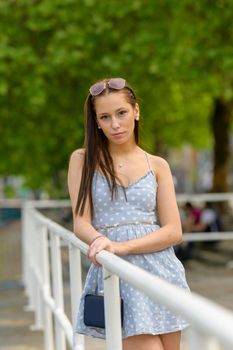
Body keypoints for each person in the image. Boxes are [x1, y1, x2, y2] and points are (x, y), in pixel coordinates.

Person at [67, 77, 190, 350]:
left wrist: (122, 246)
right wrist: (104, 244)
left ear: (136, 111)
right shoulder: (82, 160)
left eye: (121, 113)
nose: (115, 124)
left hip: (162, 271)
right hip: (118, 272)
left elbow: (173, 230)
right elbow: (81, 222)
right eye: (105, 117)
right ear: (96, 122)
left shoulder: (157, 164)